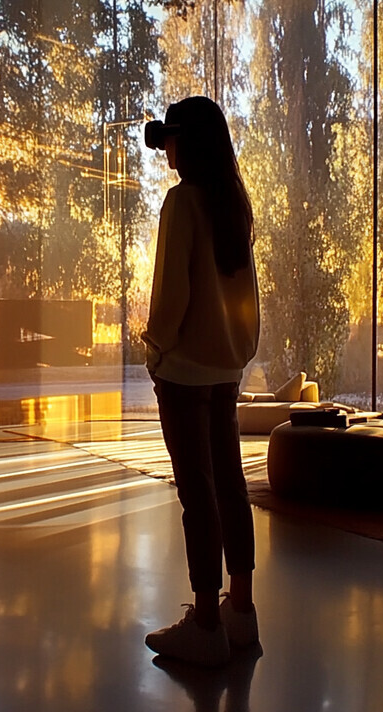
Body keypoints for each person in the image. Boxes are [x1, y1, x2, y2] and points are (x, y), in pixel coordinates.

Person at [141, 96, 261, 667]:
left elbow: (171, 296)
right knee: (231, 488)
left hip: (185, 371)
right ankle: (241, 612)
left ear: (185, 142)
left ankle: (206, 625)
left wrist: (155, 347)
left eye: (170, 136)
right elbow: (243, 300)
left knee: (197, 494)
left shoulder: (182, 203)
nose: (164, 144)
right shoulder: (232, 204)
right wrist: (237, 354)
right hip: (226, 369)